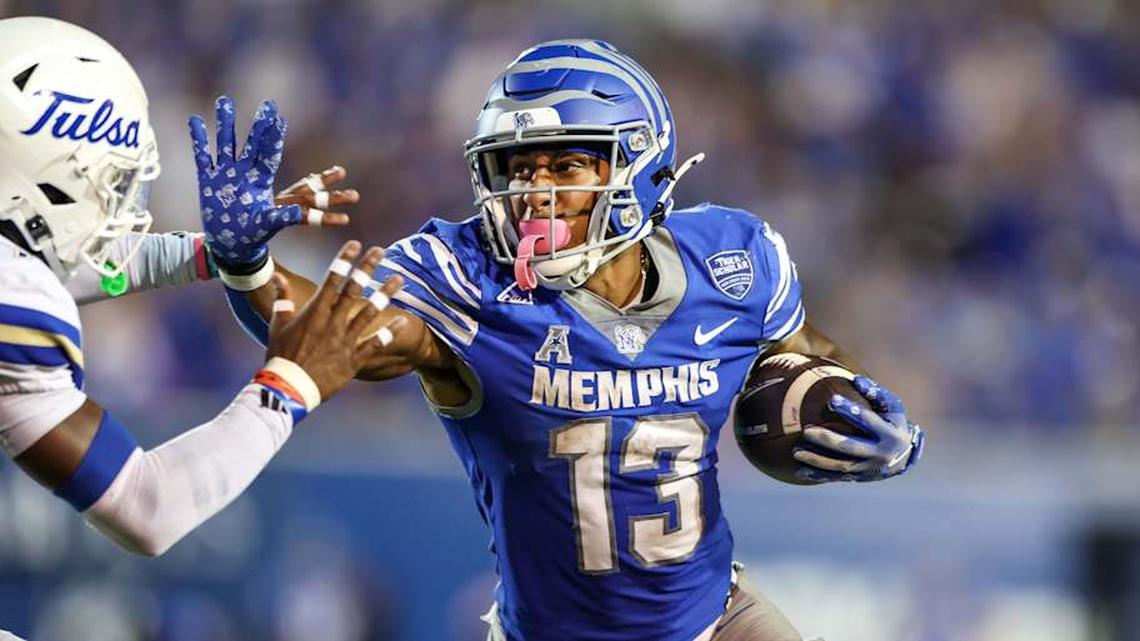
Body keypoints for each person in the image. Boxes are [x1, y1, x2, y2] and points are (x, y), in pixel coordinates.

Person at [212, 40, 924, 641]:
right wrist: (248, 266)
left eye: (565, 166)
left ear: (638, 165)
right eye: (519, 168)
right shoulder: (466, 280)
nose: (534, 192)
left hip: (716, 621)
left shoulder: (731, 262)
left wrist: (875, 424)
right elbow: (325, 334)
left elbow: (806, 357)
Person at [0, 15, 402, 561]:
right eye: (110, 181)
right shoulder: (19, 299)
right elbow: (144, 506)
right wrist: (290, 383)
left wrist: (213, 252)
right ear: (44, 174)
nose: (116, 205)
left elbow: (56, 265)